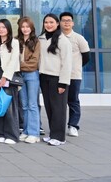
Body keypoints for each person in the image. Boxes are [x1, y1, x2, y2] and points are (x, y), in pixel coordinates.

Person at [39, 13, 72, 146]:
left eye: (51, 22)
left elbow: (67, 63)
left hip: (57, 78)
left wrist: (63, 83)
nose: (48, 25)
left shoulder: (63, 40)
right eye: (46, 22)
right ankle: (53, 134)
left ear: (57, 24)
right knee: (49, 107)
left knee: (58, 108)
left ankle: (59, 137)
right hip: (44, 77)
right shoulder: (41, 38)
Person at [0, 19, 20, 145]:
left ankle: (11, 135)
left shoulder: (14, 42)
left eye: (4, 27)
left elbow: (13, 61)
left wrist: (5, 77)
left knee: (9, 106)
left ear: (8, 29)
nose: (1, 29)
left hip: (9, 75)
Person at [59, 12, 90, 138]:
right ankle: (58, 126)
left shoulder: (79, 38)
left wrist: (74, 67)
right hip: (59, 76)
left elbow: (86, 57)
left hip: (73, 76)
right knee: (59, 102)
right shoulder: (57, 37)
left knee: (73, 101)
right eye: (64, 20)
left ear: (73, 23)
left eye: (69, 20)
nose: (66, 22)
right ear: (60, 23)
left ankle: (73, 125)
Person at [17, 16, 41, 144]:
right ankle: (26, 131)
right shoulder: (16, 41)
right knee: (24, 105)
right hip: (20, 76)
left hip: (32, 75)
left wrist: (20, 65)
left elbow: (34, 62)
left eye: (27, 26)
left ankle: (34, 133)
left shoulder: (36, 42)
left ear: (31, 28)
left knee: (32, 104)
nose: (25, 29)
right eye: (23, 27)